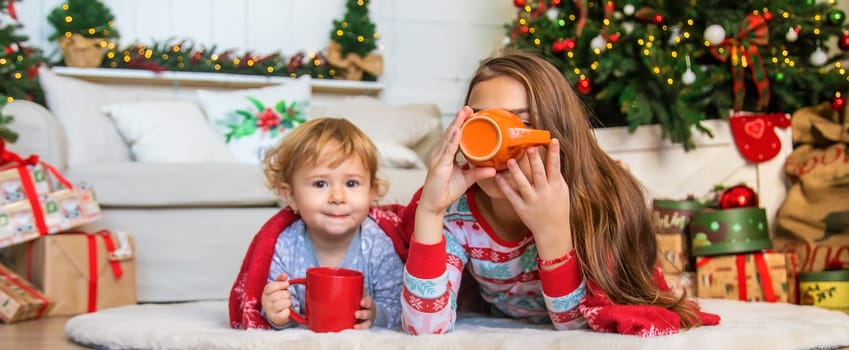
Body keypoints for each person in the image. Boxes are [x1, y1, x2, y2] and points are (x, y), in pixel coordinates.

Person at [400, 49, 719, 336]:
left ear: (556, 134)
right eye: (481, 123)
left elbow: (578, 327)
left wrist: (552, 232)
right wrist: (430, 212)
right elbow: (425, 329)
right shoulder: (459, 212)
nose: (493, 143)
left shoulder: (596, 202)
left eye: (520, 123)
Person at [228, 117, 407, 330]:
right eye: (320, 183)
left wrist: (377, 315)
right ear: (291, 196)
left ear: (372, 193)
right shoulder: (284, 244)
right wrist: (276, 313)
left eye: (351, 183)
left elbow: (399, 306)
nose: (338, 197)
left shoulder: (379, 243)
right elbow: (280, 309)